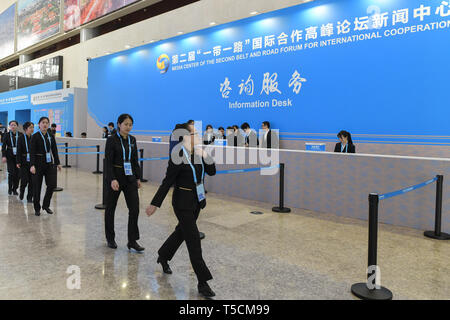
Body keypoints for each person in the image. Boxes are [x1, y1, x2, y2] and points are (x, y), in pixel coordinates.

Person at [146, 123, 217, 298]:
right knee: (193, 241)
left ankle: (163, 255)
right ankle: (203, 282)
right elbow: (167, 181)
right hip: (182, 203)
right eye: (194, 133)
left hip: (197, 201)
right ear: (185, 136)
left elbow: (212, 171)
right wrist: (155, 203)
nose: (198, 135)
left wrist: (205, 154)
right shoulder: (178, 155)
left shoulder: (198, 153)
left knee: (181, 233)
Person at [104, 114, 144, 252]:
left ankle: (132, 241)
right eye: (126, 124)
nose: (128, 127)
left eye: (130, 124)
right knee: (110, 208)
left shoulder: (132, 140)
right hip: (116, 177)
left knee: (134, 209)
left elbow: (134, 160)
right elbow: (108, 161)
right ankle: (110, 238)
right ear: (119, 124)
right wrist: (112, 179)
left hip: (130, 178)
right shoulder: (112, 140)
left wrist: (138, 177)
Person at [30, 117, 61, 216]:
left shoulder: (50, 136)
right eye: (43, 122)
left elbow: (54, 150)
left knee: (51, 185)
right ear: (39, 124)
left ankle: (46, 205)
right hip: (37, 164)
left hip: (49, 163)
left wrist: (58, 163)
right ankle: (37, 208)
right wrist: (32, 165)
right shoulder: (35, 136)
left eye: (47, 123)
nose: (45, 124)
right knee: (37, 187)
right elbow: (32, 152)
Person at [2, 120, 23, 195]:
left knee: (18, 174)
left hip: (18, 156)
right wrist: (4, 156)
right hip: (9, 155)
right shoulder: (6, 135)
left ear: (17, 126)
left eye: (14, 125)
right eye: (11, 125)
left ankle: (15, 189)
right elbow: (4, 146)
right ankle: (10, 188)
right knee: (11, 173)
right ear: (9, 126)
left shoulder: (20, 134)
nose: (13, 126)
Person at [16, 122, 34, 202]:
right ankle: (22, 192)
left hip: (32, 162)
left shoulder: (34, 138)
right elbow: (18, 151)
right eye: (30, 127)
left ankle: (29, 197)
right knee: (24, 180)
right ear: (26, 129)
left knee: (32, 181)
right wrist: (18, 161)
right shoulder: (21, 138)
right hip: (23, 162)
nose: (32, 129)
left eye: (33, 127)